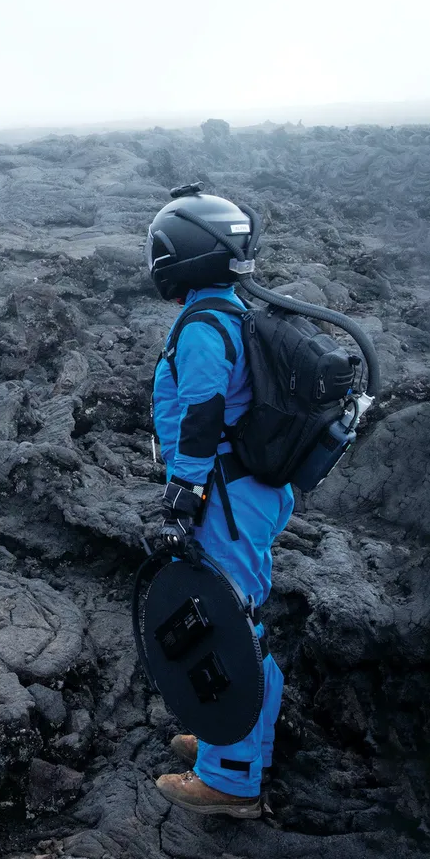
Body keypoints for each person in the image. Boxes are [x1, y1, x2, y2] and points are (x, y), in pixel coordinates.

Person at [146, 187, 293, 819]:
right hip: (249, 493)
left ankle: (229, 780)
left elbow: (201, 416)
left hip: (226, 496)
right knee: (247, 623)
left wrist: (184, 494)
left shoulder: (205, 326)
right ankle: (237, 741)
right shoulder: (228, 310)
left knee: (226, 629)